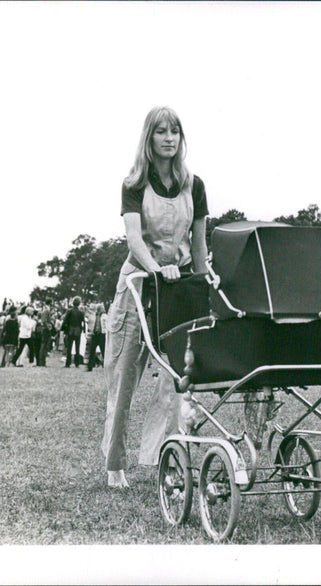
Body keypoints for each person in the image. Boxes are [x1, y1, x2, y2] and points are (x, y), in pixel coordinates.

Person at [102, 106, 209, 488]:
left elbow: (198, 246)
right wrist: (153, 268)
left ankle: (165, 458)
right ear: (149, 138)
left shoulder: (193, 185)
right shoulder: (134, 185)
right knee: (124, 375)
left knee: (177, 379)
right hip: (138, 285)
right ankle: (115, 464)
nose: (168, 138)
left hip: (178, 287)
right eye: (161, 131)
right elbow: (134, 238)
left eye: (175, 131)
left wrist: (206, 277)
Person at [63, 297, 85, 368]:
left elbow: (65, 321)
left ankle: (68, 363)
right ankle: (77, 363)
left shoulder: (69, 311)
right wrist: (82, 330)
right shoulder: (81, 312)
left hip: (70, 330)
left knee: (69, 347)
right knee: (77, 347)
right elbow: (83, 322)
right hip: (78, 330)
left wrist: (65, 331)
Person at [84, 302, 106, 371]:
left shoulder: (104, 316)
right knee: (92, 350)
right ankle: (90, 366)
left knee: (103, 351)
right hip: (95, 334)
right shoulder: (93, 316)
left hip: (102, 335)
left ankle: (105, 365)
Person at [36, 300, 53, 366]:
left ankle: (42, 361)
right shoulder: (47, 310)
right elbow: (44, 320)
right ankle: (42, 361)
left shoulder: (44, 310)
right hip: (46, 329)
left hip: (45, 329)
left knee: (44, 345)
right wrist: (49, 327)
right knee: (44, 345)